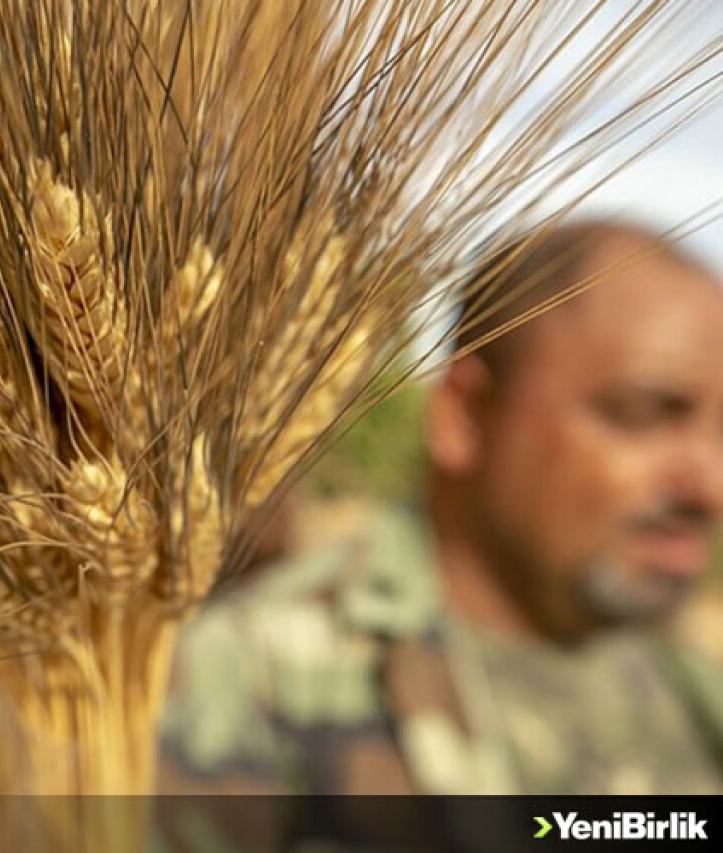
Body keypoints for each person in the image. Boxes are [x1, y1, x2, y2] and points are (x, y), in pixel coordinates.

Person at [158, 221, 723, 803]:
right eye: (645, 415)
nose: (710, 487)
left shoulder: (692, 694)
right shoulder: (248, 682)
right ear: (465, 414)